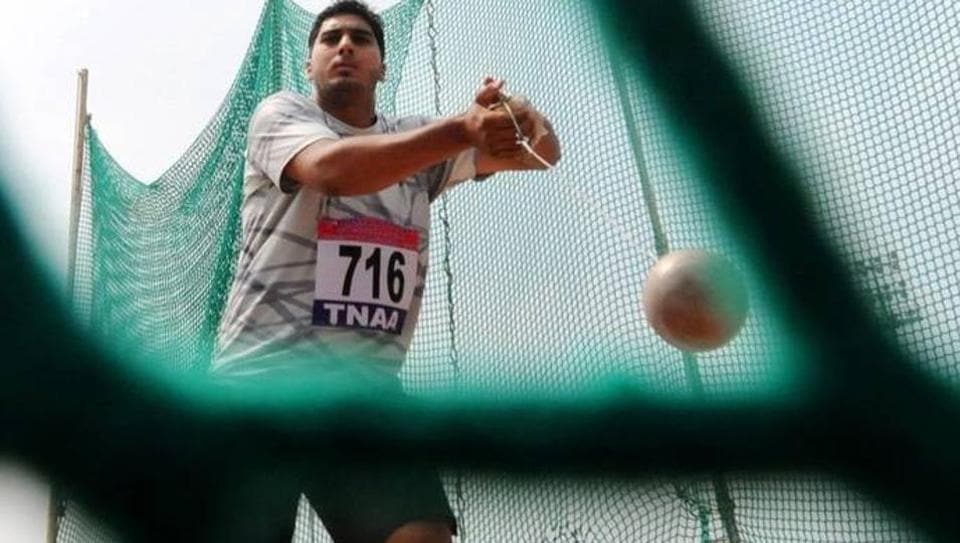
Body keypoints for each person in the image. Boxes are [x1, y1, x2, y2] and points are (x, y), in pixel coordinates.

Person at [214, 1, 560, 541]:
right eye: (329, 40)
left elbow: (540, 152)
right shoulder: (280, 116)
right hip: (257, 387)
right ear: (309, 66)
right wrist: (460, 131)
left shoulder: (416, 140)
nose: (345, 46)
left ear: (382, 64)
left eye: (360, 38)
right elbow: (332, 170)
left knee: (421, 535)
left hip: (363, 395)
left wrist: (514, 111)